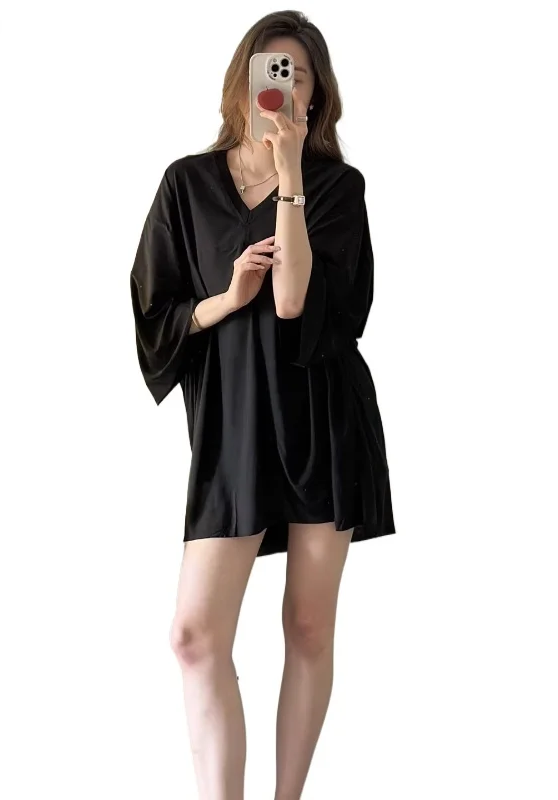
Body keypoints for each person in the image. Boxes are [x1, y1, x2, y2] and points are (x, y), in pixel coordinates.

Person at [129, 10, 396, 800]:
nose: (282, 87)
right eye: (269, 71)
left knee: (307, 626)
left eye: (298, 75)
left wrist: (289, 177)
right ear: (242, 84)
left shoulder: (337, 188)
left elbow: (292, 302)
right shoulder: (187, 184)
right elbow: (156, 314)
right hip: (235, 426)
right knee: (193, 636)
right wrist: (224, 297)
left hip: (322, 417)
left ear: (316, 98)